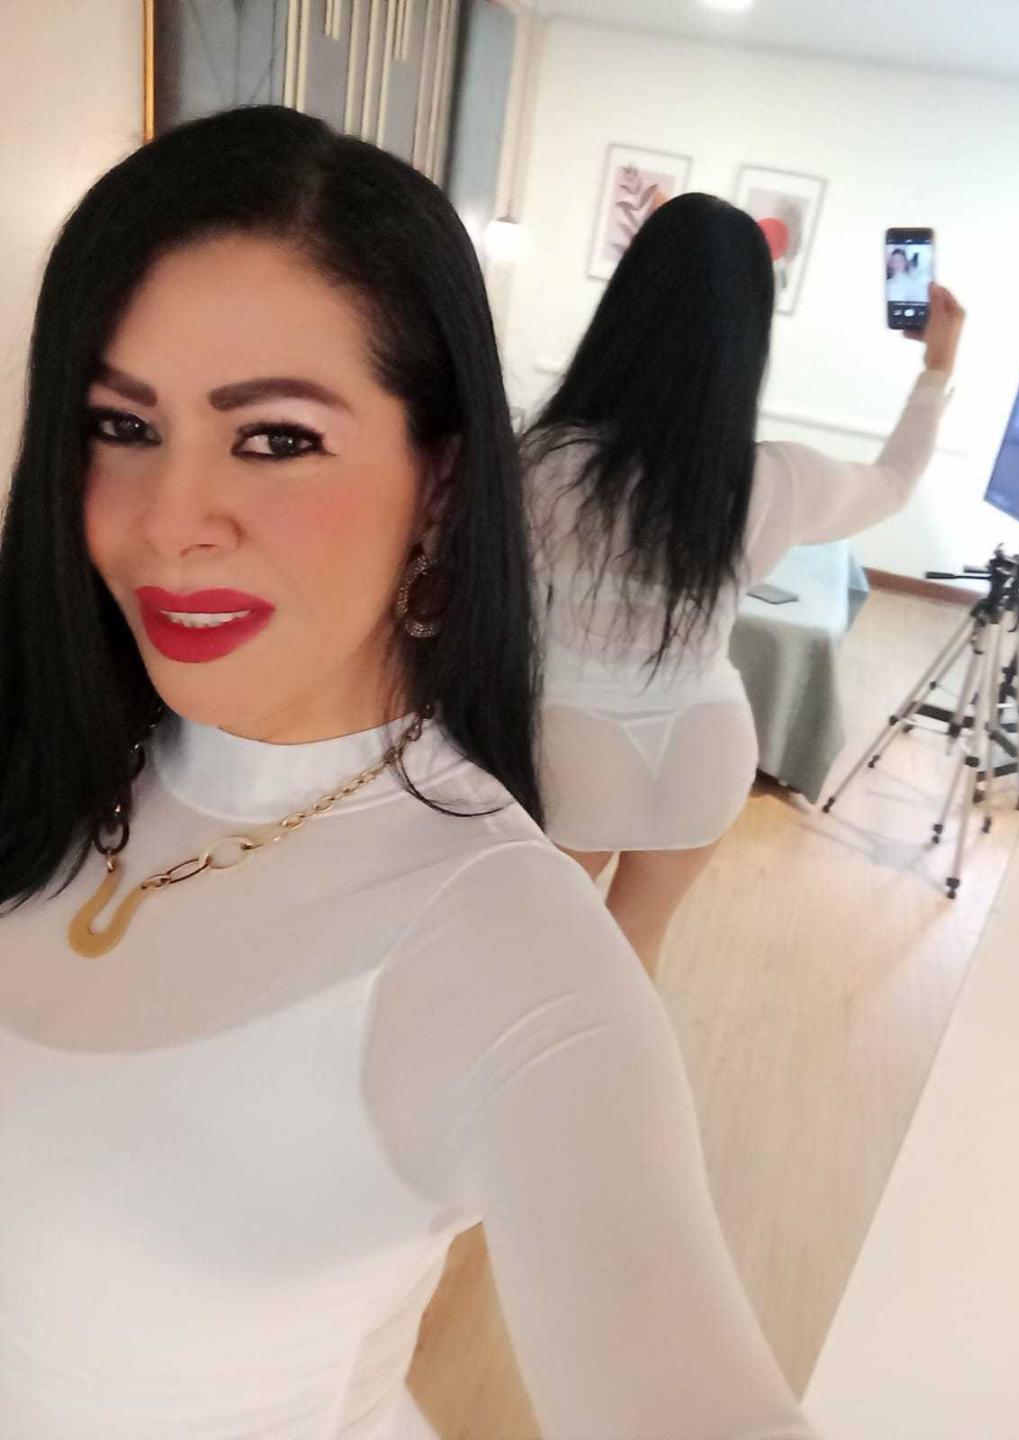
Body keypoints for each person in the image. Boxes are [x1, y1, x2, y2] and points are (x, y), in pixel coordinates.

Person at [0, 110, 818, 1440]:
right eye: (119, 423)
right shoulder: (54, 745)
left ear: (441, 482)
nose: (167, 522)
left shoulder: (507, 955)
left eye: (275, 438)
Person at [524, 194, 965, 974]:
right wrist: (936, 370)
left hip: (574, 740)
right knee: (635, 952)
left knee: (536, 958)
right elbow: (895, 482)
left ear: (625, 307)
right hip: (707, 738)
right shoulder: (778, 479)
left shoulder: (546, 464)